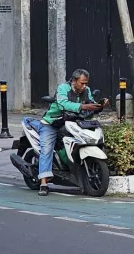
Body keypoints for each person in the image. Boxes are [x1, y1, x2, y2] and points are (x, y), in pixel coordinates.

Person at [28, 69, 105, 197]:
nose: (84, 86)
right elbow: (63, 104)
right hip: (52, 123)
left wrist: (99, 106)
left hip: (73, 122)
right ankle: (43, 183)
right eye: (82, 83)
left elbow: (90, 103)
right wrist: (83, 107)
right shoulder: (63, 88)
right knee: (47, 149)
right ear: (74, 81)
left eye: (86, 83)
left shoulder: (87, 90)